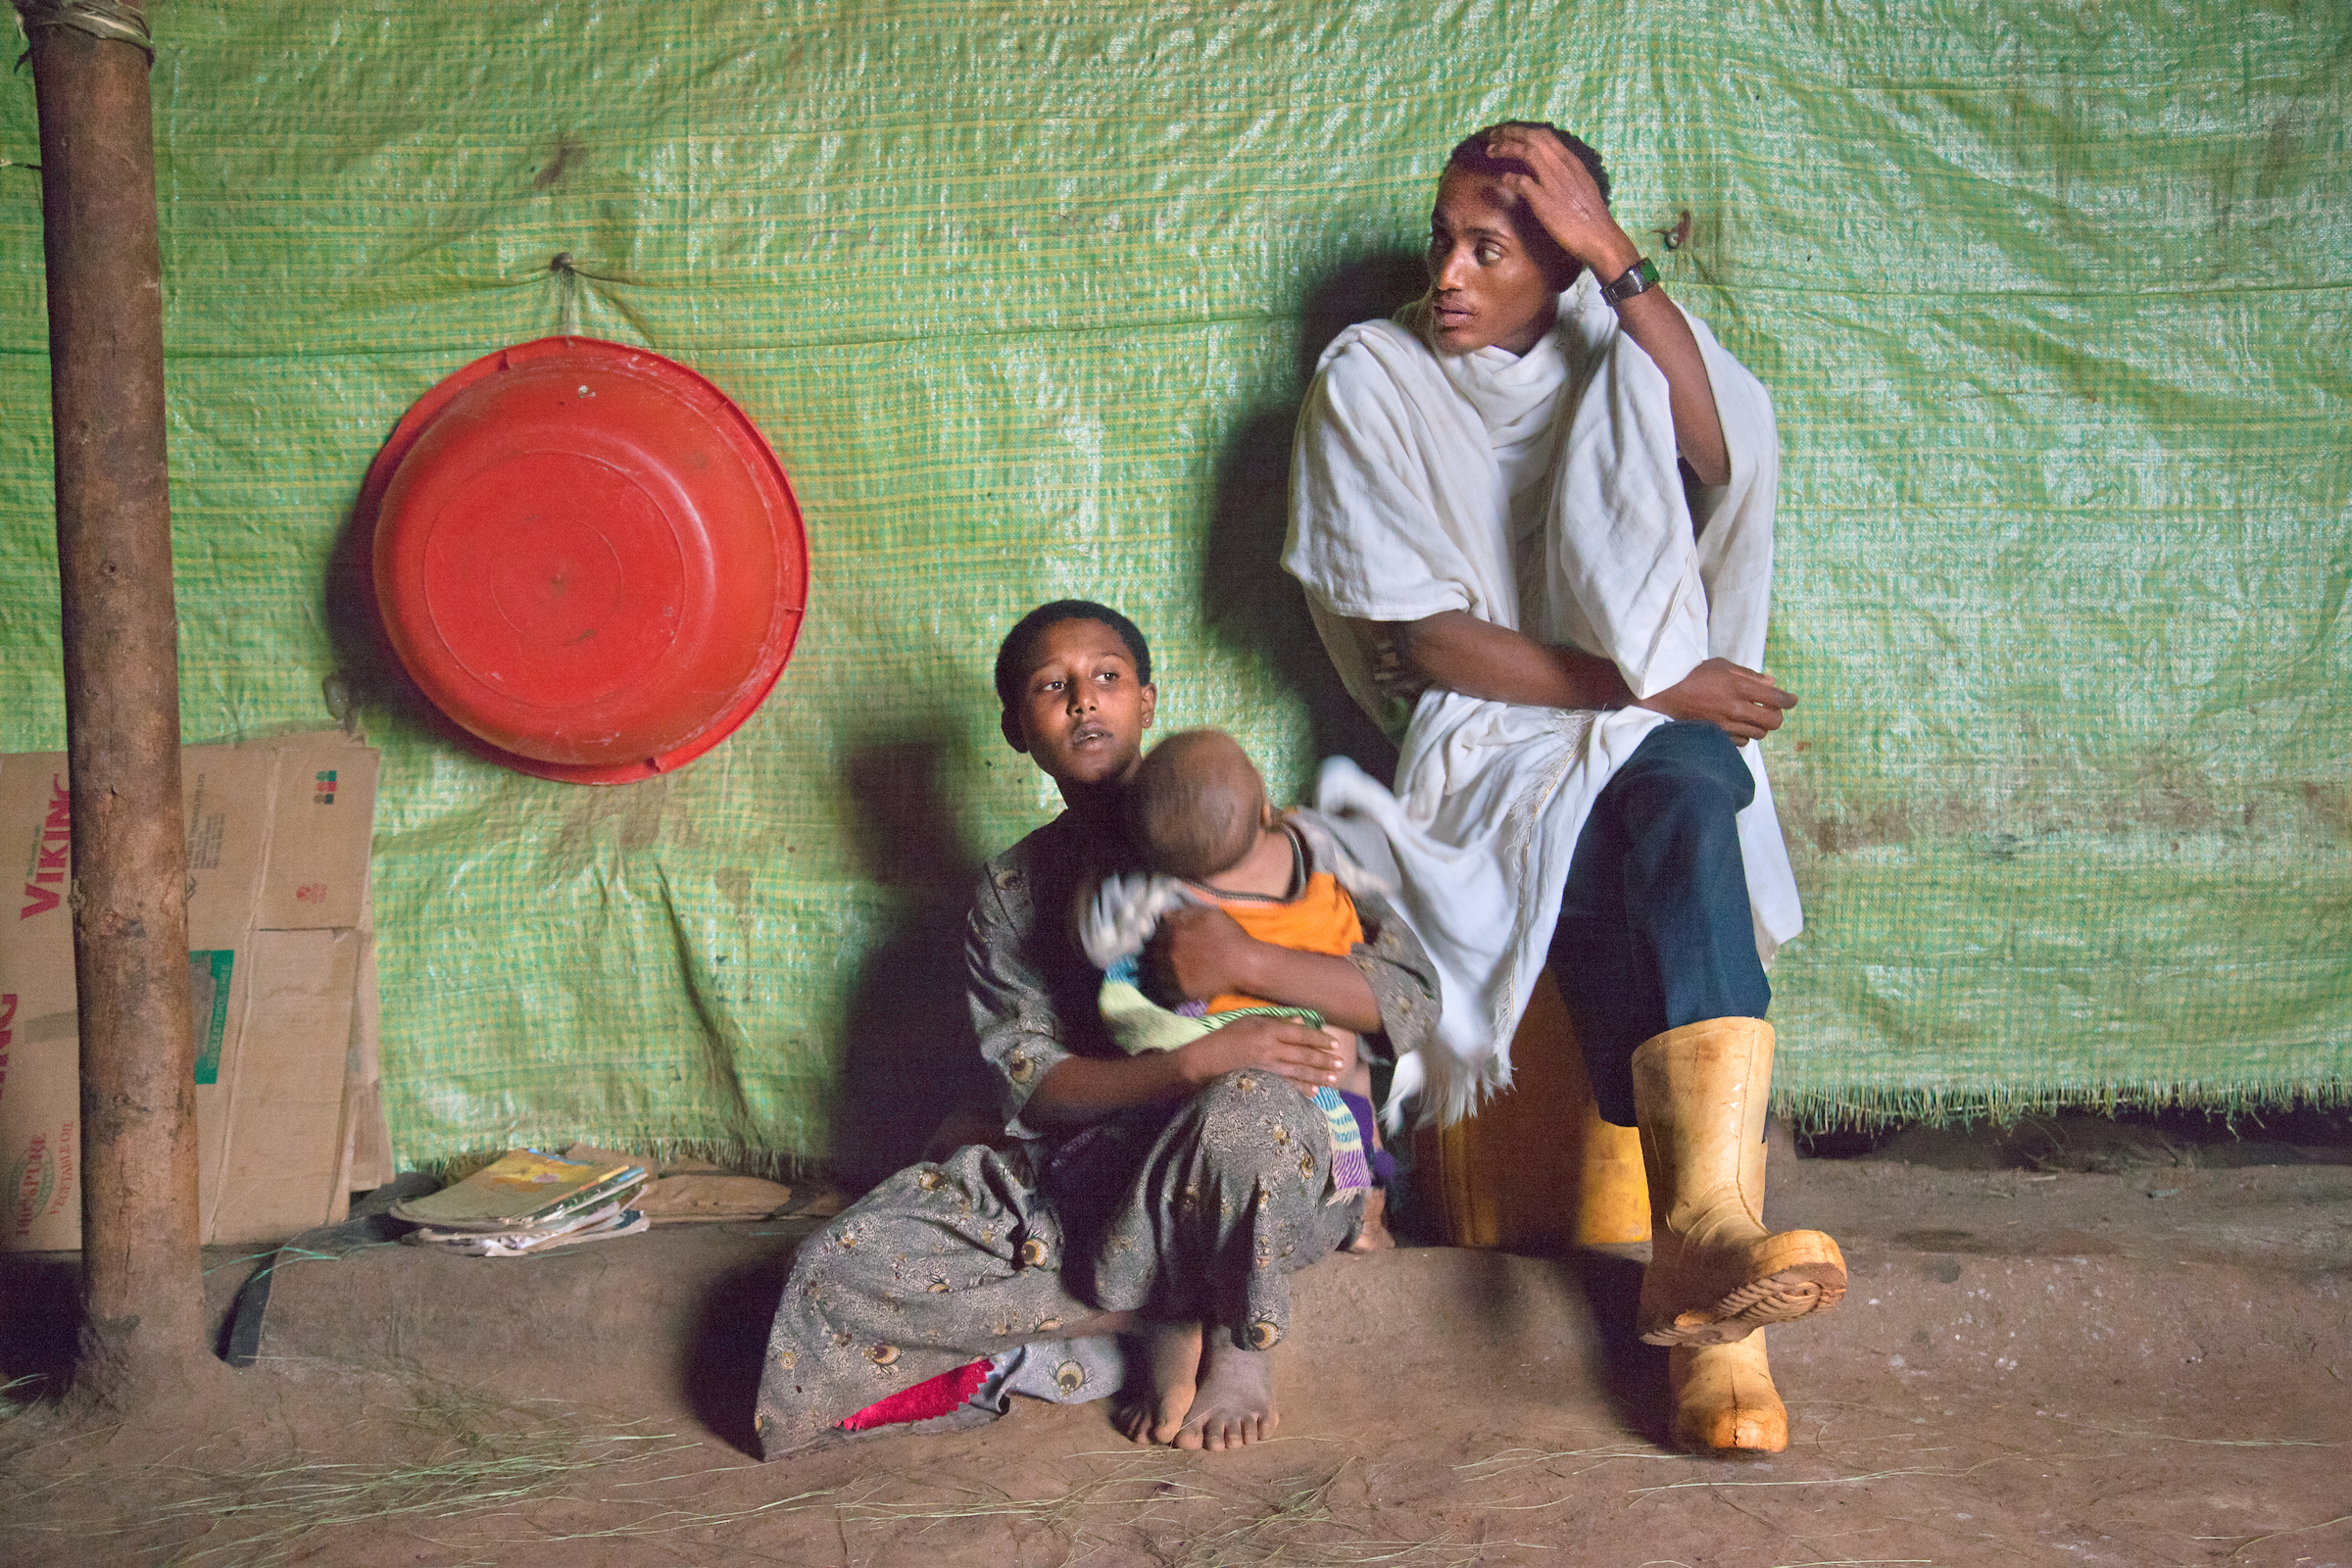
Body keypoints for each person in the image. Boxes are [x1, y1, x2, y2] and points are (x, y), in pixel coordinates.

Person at [1284, 122, 1844, 1452]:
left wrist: (1625, 269)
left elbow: (1727, 458)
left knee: (1695, 785)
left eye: (1495, 248)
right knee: (1657, 797)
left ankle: (1707, 1247)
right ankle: (1709, 1277)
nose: (1454, 276)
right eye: (1444, 242)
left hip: (1646, 726)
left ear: (1564, 260)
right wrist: (1650, 689)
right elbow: (1422, 640)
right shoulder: (1371, 375)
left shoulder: (1612, 347)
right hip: (1485, 733)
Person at [753, 601, 1439, 1455]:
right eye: (1054, 686)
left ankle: (1228, 1337)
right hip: (1109, 1191)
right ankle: (1171, 1304)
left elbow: (1411, 995)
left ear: (1147, 701)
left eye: (1107, 677)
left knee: (1244, 1109)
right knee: (839, 1267)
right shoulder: (1013, 892)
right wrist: (1192, 1064)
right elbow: (1035, 1087)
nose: (1085, 700)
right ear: (1017, 729)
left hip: (1269, 1160)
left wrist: (1246, 965)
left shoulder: (1252, 826)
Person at [1077, 727, 1396, 1248]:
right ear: (1267, 808)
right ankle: (1367, 1210)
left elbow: (1097, 940)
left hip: (1238, 1047)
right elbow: (1378, 864)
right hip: (1325, 1035)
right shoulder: (1314, 845)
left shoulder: (1161, 891)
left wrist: (1104, 874)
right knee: (1353, 1071)